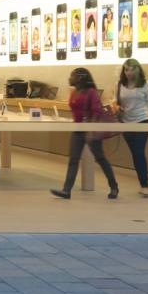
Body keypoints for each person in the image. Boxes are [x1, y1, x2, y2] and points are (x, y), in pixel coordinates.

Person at [51, 67, 120, 200]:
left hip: (90, 130)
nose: (69, 78)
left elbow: (97, 111)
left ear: (80, 78)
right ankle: (66, 190)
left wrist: (90, 130)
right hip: (77, 130)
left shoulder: (91, 92)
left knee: (100, 158)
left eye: (72, 76)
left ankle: (114, 187)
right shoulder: (74, 92)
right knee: (73, 159)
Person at [115, 58, 148, 197]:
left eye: (131, 69)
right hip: (126, 123)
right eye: (126, 69)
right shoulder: (120, 84)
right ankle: (143, 183)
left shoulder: (145, 84)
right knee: (135, 154)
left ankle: (145, 185)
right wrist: (118, 110)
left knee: (139, 152)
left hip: (142, 121)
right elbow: (118, 102)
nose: (129, 72)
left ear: (137, 69)